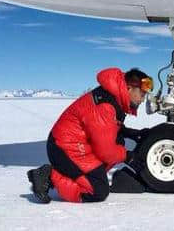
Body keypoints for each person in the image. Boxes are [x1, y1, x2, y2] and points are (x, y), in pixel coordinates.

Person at [27, 67, 152, 203]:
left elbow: (109, 128)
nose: (142, 99)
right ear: (128, 88)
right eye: (142, 94)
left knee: (118, 141)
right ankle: (50, 176)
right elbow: (106, 151)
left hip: (75, 144)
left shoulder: (113, 97)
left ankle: (88, 177)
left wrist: (133, 133)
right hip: (64, 148)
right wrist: (128, 157)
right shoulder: (106, 106)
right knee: (97, 191)